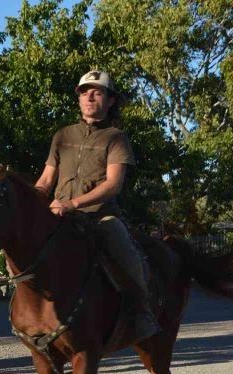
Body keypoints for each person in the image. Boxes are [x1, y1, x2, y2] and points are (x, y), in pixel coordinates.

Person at [34, 69, 159, 342]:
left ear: (110, 100)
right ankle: (30, 318)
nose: (90, 97)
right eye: (84, 92)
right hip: (59, 214)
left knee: (121, 242)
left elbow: (113, 184)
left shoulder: (116, 138)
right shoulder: (63, 135)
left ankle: (141, 311)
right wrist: (31, 202)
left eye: (97, 92)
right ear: (78, 99)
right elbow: (45, 179)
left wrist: (72, 203)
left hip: (99, 216)